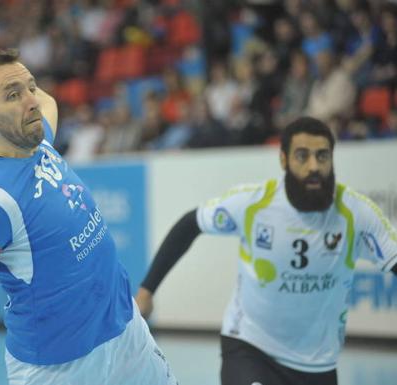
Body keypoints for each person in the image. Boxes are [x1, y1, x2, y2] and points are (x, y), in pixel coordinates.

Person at [0, 47, 178, 385]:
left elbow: (46, 102)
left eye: (31, 87)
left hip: (127, 335)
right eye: (13, 95)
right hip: (59, 369)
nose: (31, 100)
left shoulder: (40, 142)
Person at [135, 116, 397, 385]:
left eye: (322, 157)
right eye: (302, 156)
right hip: (250, 347)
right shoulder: (255, 204)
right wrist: (147, 291)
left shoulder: (355, 213)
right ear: (283, 160)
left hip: (318, 362)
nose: (313, 167)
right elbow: (191, 223)